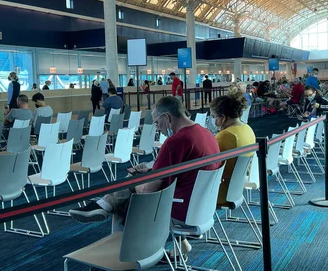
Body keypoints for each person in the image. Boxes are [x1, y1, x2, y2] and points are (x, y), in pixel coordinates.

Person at [69, 97, 222, 251]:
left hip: (181, 209)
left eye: (156, 122)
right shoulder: (206, 133)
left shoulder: (176, 141)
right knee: (142, 172)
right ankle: (105, 206)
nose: (157, 128)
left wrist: (135, 181)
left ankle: (124, 254)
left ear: (167, 117)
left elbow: (148, 189)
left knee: (126, 201)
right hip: (202, 207)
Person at [209, 93, 256, 206]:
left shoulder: (226, 135)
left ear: (223, 117)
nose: (214, 121)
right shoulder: (247, 128)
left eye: (214, 117)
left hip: (221, 191)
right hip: (236, 189)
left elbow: (212, 166)